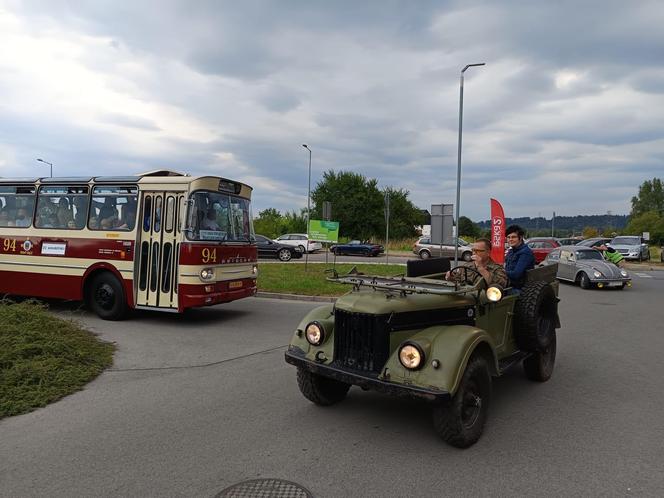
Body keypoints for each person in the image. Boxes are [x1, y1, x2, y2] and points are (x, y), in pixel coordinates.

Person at [504, 225, 535, 291]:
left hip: (520, 289)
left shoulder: (525, 253)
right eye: (508, 237)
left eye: (513, 237)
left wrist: (501, 272)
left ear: (520, 238)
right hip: (509, 284)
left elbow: (516, 274)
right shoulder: (511, 251)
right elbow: (507, 267)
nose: (510, 239)